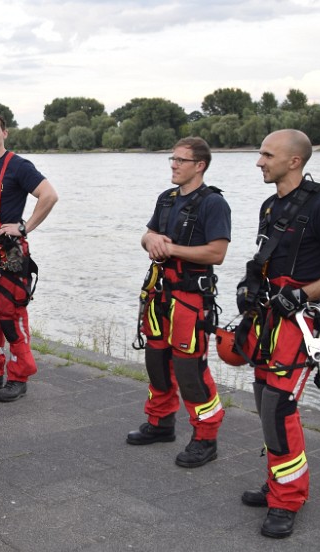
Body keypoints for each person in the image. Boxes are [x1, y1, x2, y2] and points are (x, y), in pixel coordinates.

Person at [233, 129, 320, 538]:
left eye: (267, 154)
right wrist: (251, 286)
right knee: (263, 402)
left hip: (297, 324)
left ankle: (288, 500)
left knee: (279, 409)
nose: (259, 161)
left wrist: (300, 295)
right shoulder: (271, 205)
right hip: (267, 321)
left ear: (294, 162)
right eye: (260, 153)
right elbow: (268, 260)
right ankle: (276, 484)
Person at [126, 137, 231, 469]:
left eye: (181, 160)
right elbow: (147, 236)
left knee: (190, 369)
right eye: (172, 158)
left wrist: (171, 250)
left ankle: (205, 438)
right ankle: (161, 423)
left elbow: (217, 252)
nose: (173, 164)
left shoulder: (213, 204)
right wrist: (152, 239)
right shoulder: (167, 199)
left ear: (199, 165)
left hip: (190, 298)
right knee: (156, 360)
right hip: (159, 294)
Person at [0, 113, 58, 403]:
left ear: (5, 133)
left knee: (11, 314)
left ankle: (19, 376)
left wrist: (24, 226)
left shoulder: (19, 166)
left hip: (10, 253)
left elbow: (49, 195)